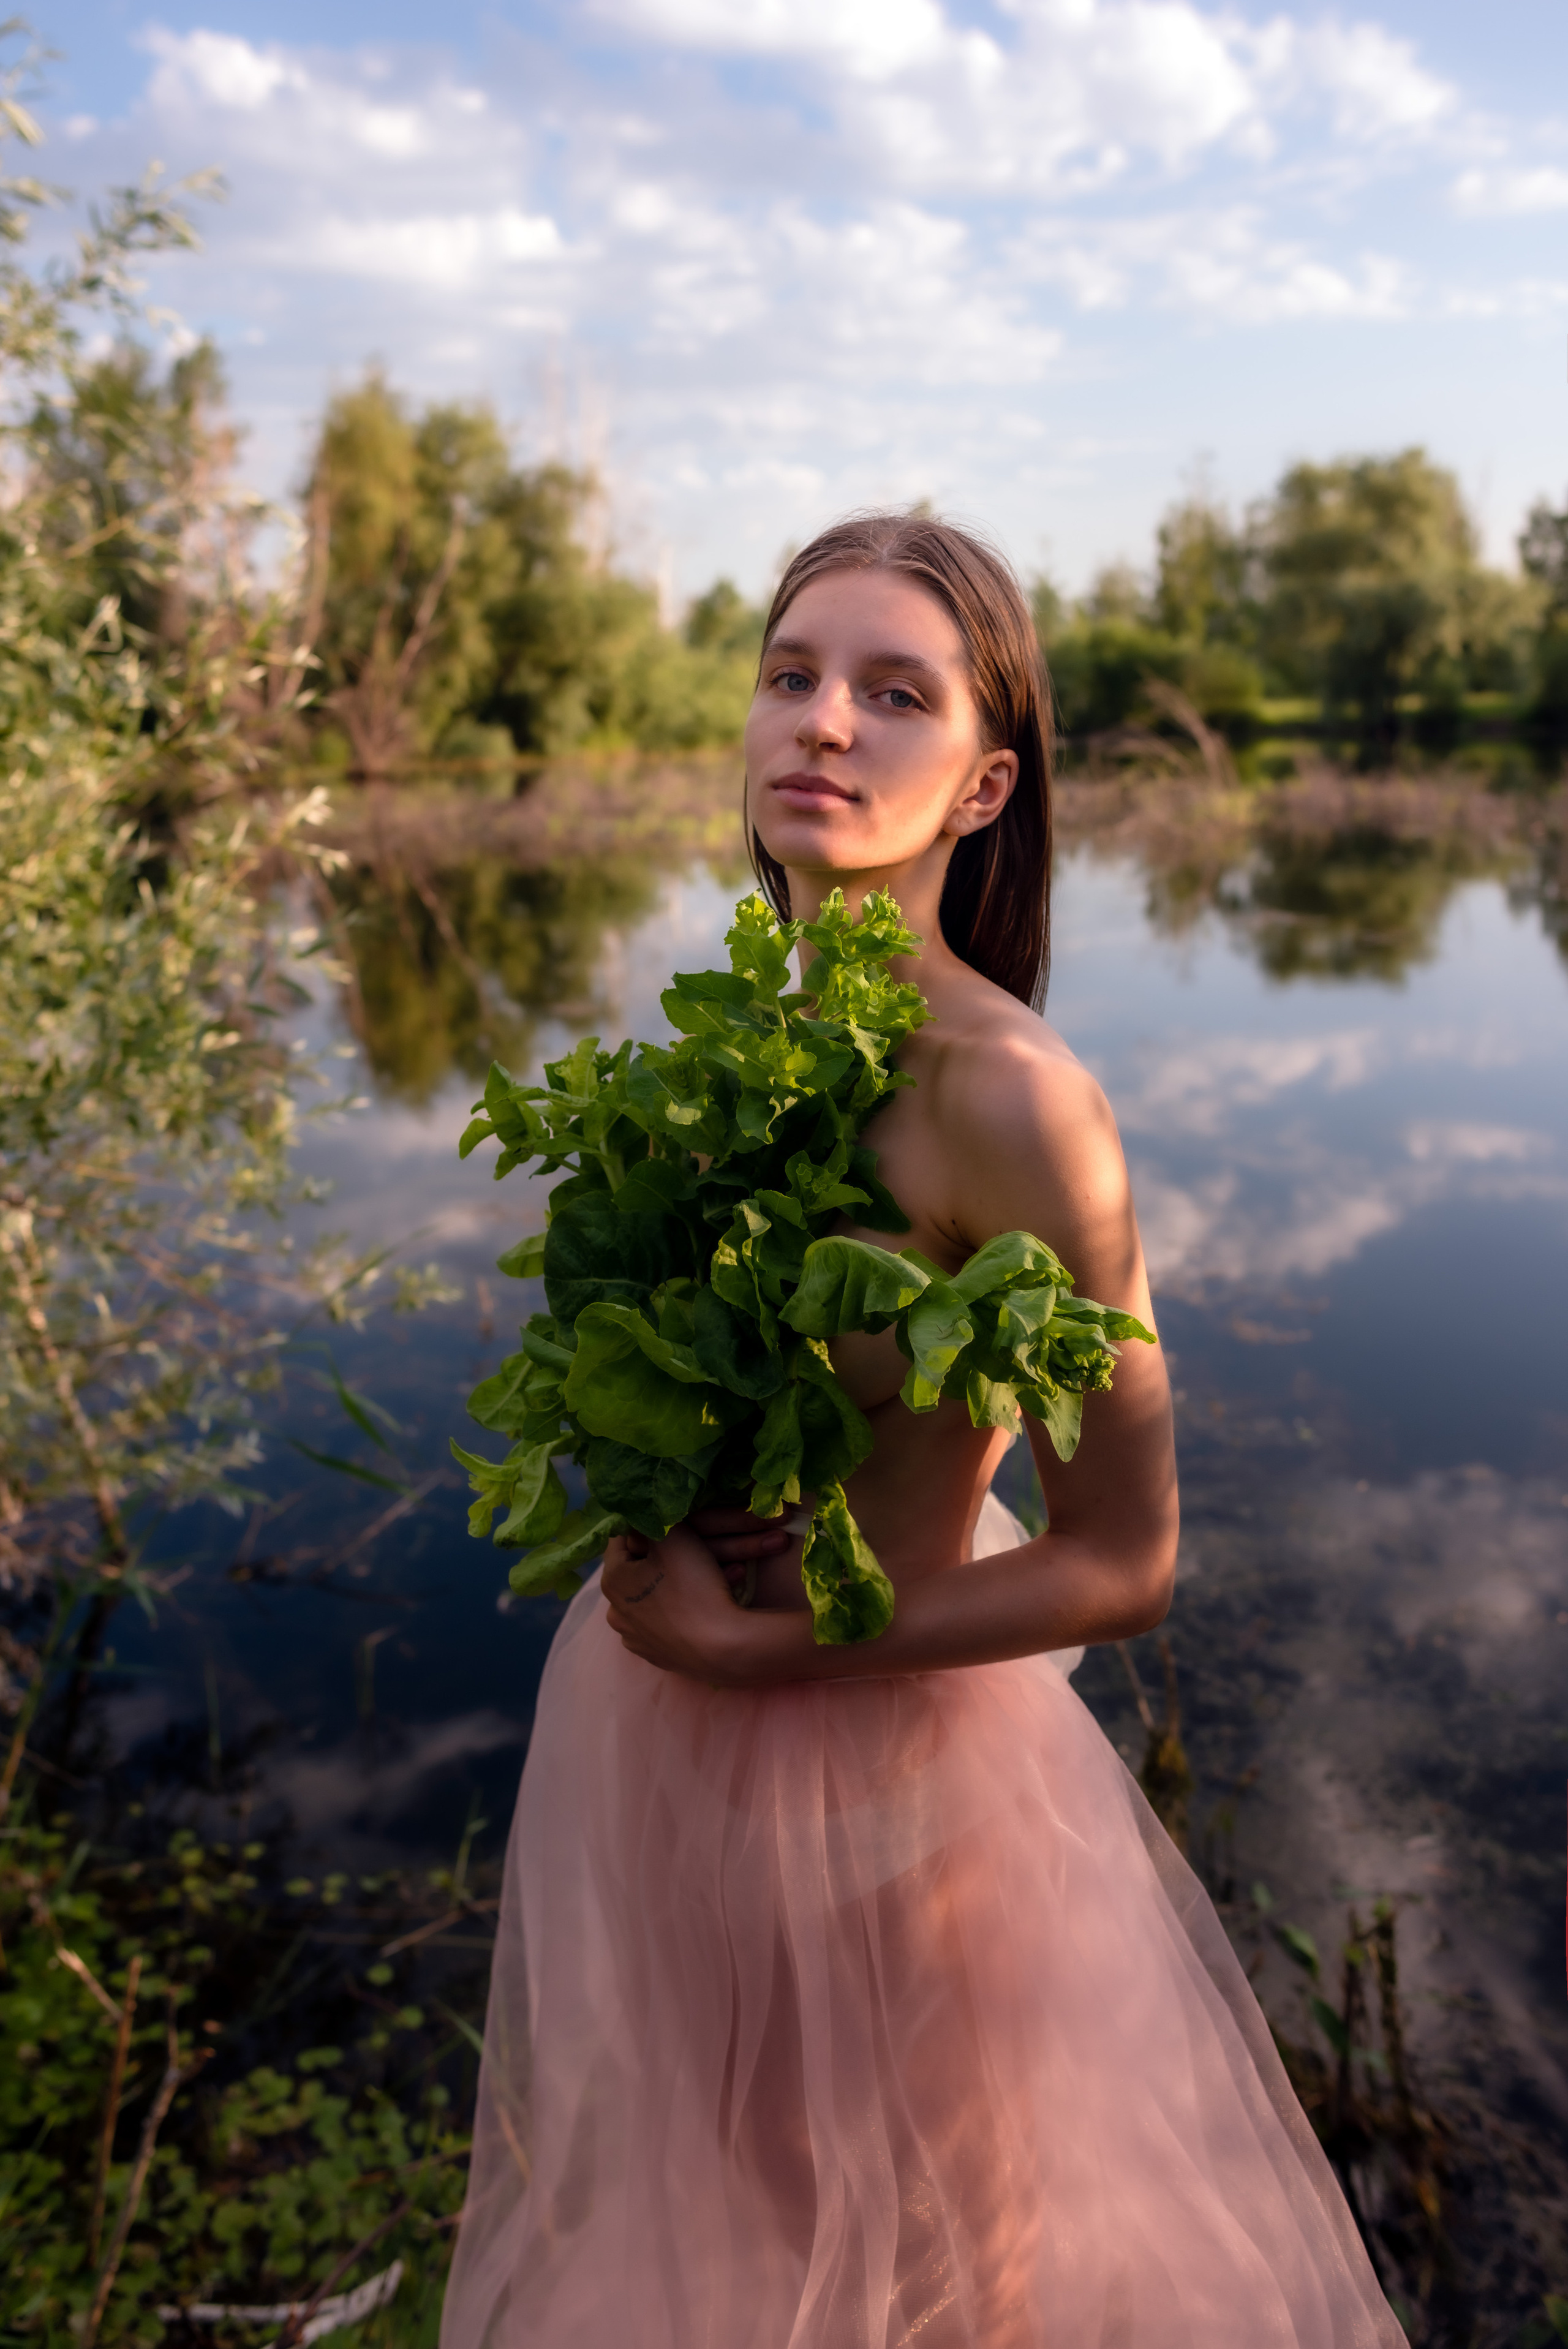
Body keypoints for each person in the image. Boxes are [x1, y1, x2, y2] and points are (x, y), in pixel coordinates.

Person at [440, 515, 1401, 2347]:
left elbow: (1126, 1557)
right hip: (657, 1756)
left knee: (952, 2285)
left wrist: (776, 1641)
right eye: (792, 673)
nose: (823, 723)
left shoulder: (1019, 1102)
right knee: (709, 2245)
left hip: (883, 1788)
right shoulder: (733, 1040)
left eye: (896, 692)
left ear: (983, 783)